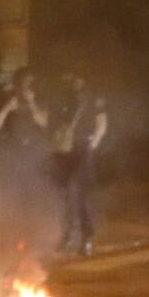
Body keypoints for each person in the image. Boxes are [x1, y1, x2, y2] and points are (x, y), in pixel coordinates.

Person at [52, 76, 111, 257]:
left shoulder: (94, 98)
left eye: (77, 77)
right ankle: (68, 234)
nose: (73, 81)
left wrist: (92, 146)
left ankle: (86, 238)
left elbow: (101, 124)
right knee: (65, 194)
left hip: (83, 149)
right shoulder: (66, 96)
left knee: (79, 192)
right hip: (66, 149)